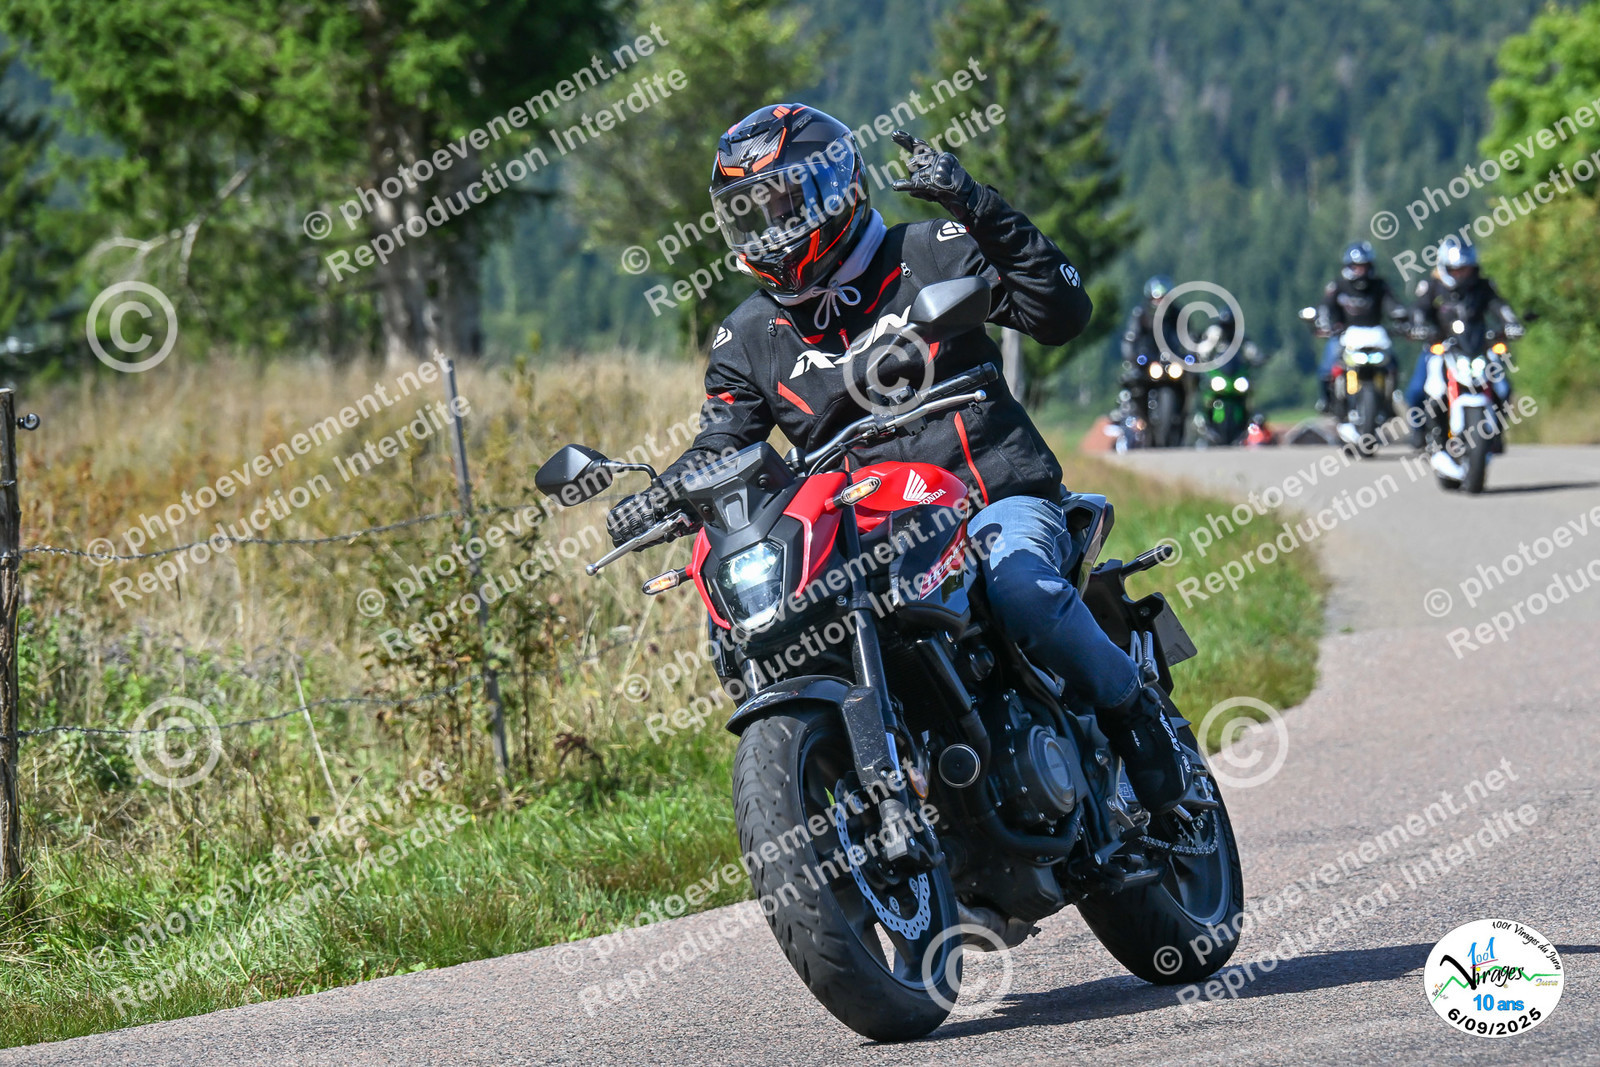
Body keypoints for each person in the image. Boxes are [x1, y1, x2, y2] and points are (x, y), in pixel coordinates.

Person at [605, 103, 1207, 815]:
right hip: (863, 535)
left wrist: (974, 203)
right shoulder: (747, 336)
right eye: (751, 213)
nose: (770, 227)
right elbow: (721, 443)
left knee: (1019, 587)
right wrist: (665, 493)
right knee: (766, 631)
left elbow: (1061, 313)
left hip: (991, 501)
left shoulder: (929, 251)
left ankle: (1137, 717)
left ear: (835, 188)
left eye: (785, 203)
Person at [1404, 240, 1523, 440]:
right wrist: (1419, 327)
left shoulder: (1483, 287)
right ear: (1444, 267)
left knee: (1503, 387)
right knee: (1418, 391)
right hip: (1441, 347)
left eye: (1465, 269)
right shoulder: (1433, 287)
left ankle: (1496, 433)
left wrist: (1512, 324)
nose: (1460, 274)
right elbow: (1419, 309)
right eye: (1455, 269)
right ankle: (1423, 434)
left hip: (1477, 349)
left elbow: (1500, 306)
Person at [1315, 241, 1400, 412]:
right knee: (1327, 367)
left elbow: (1392, 305)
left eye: (1364, 266)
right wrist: (1324, 322)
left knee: (1393, 364)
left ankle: (1389, 399)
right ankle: (1326, 400)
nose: (1361, 271)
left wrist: (1401, 317)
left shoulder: (1379, 285)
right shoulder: (1338, 285)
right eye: (1356, 267)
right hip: (1345, 334)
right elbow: (1325, 307)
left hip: (1375, 336)